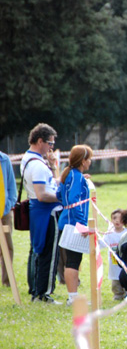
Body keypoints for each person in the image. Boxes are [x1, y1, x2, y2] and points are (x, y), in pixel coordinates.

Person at [21, 123, 62, 303]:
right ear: (39, 141)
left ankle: (36, 290)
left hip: (38, 210)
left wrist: (53, 168)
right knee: (49, 253)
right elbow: (42, 194)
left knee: (38, 251)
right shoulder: (37, 165)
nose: (51, 147)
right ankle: (43, 293)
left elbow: (49, 183)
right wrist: (64, 197)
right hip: (46, 212)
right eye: (50, 143)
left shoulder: (29, 158)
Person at [56, 145, 93, 306]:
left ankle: (73, 295)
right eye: (89, 158)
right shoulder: (76, 176)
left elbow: (59, 195)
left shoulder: (70, 174)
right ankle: (73, 297)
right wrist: (80, 224)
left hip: (66, 221)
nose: (91, 161)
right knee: (73, 260)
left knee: (72, 260)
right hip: (73, 224)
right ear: (83, 161)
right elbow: (73, 201)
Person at [100, 209, 127, 301]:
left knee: (126, 278)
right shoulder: (109, 234)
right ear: (111, 220)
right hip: (114, 263)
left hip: (126, 263)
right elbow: (102, 244)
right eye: (114, 218)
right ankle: (118, 294)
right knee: (115, 281)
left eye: (120, 218)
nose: (117, 220)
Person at [0, 150, 17, 287]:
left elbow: (11, 186)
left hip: (4, 211)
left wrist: (9, 204)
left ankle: (7, 280)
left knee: (7, 246)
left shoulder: (4, 159)